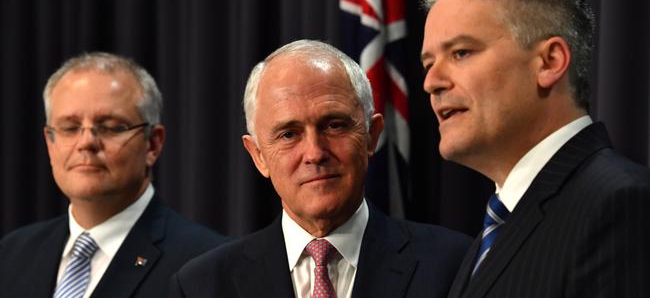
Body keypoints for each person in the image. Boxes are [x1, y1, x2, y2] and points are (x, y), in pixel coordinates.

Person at [419, 0, 650, 297]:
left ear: (549, 62)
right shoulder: (498, 226)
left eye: (461, 53)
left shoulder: (621, 205)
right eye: (428, 63)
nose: (431, 82)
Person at [170, 39, 471, 297]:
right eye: (289, 134)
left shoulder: (453, 265)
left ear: (371, 135)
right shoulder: (201, 286)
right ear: (258, 155)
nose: (315, 153)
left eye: (334, 125)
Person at [0, 52, 229, 297]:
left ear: (152, 144)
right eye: (70, 127)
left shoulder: (208, 265)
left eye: (110, 127)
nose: (86, 142)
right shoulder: (12, 253)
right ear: (50, 142)